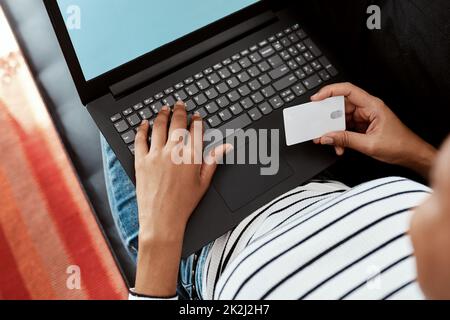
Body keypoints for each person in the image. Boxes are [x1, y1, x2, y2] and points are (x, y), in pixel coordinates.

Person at [101, 83, 448, 300]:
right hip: (311, 178)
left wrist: (161, 232)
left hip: (191, 239)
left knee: (126, 93)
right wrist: (415, 152)